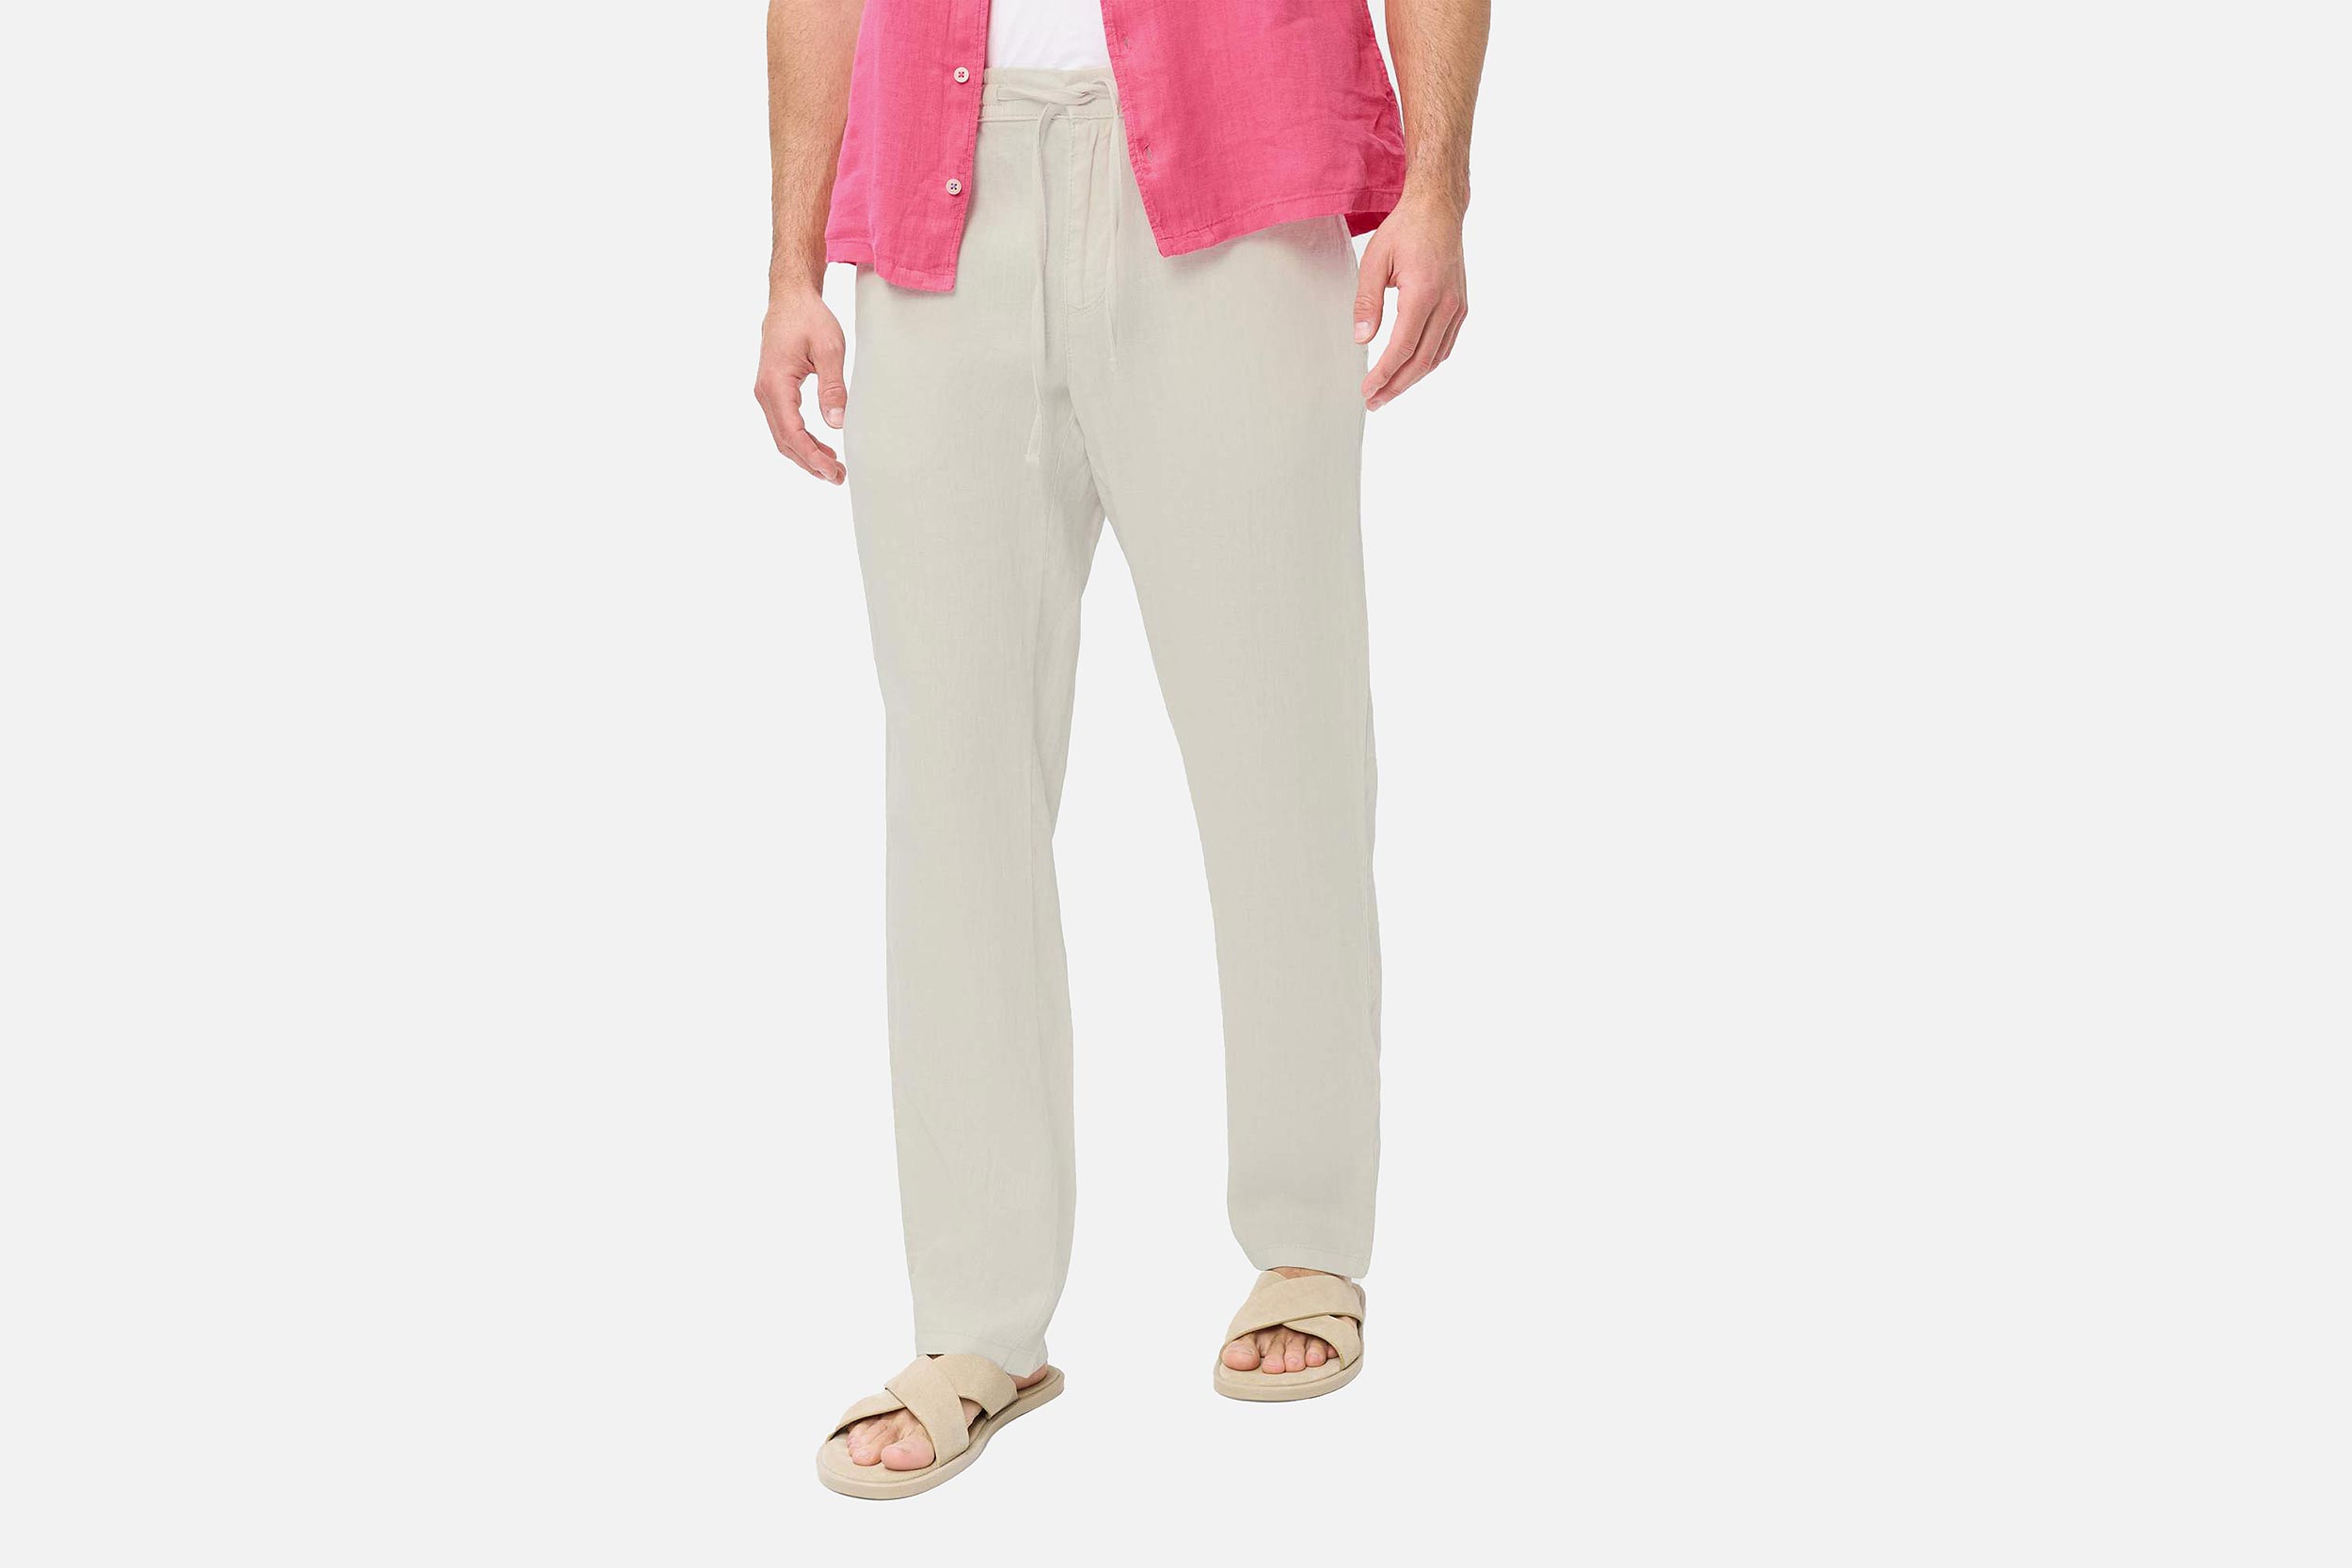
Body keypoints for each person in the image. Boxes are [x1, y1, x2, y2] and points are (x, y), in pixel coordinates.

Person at [755, 0, 1488, 1498]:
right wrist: (789, 266)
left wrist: (1438, 187)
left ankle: (1307, 1242)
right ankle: (977, 1325)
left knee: (1281, 745)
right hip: (938, 192)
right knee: (954, 787)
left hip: (1240, 173)